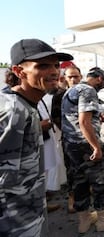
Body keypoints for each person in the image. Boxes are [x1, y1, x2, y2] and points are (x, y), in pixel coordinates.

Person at [0, 38, 73, 237]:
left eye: (56, 65)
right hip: (14, 224)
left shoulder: (27, 105)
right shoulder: (12, 109)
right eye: (42, 65)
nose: (54, 71)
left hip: (30, 216)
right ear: (19, 71)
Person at [61, 67, 104, 233]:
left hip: (71, 145)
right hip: (86, 146)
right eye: (102, 84)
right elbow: (84, 123)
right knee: (99, 182)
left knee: (79, 182)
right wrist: (96, 147)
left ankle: (84, 221)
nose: (101, 87)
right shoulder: (88, 90)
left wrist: (98, 119)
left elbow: (75, 120)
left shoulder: (70, 91)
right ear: (99, 79)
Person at [51, 63, 82, 214]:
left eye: (76, 76)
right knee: (72, 170)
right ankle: (72, 199)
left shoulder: (84, 93)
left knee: (88, 169)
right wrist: (71, 132)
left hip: (87, 140)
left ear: (81, 77)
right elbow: (56, 118)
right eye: (70, 77)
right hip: (70, 141)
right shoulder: (60, 95)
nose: (74, 79)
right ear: (65, 78)